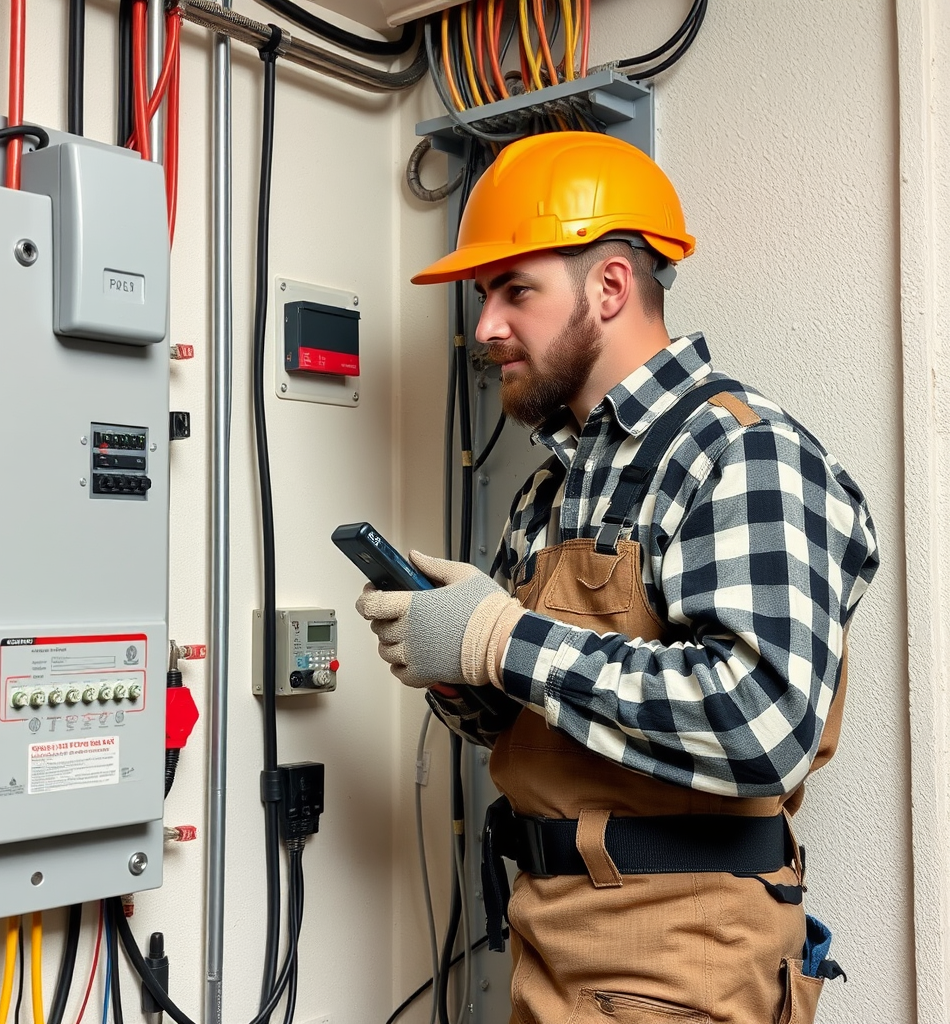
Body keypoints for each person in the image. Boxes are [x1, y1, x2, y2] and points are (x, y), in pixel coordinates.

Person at [355, 132, 879, 1024]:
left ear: (609, 286)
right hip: (551, 935)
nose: (485, 326)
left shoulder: (743, 453)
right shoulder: (551, 484)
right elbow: (539, 720)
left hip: (680, 957)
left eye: (515, 290)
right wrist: (449, 657)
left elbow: (760, 724)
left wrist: (501, 639)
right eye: (486, 295)